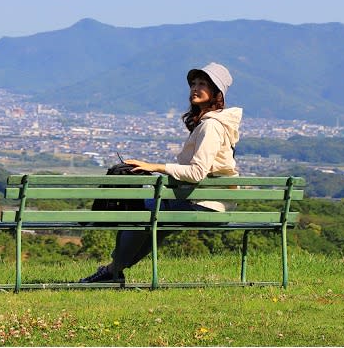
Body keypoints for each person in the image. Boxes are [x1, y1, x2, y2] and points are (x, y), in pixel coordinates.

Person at [79, 62, 242, 283]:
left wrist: (154, 166)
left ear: (216, 92)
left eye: (203, 84)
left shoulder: (211, 126)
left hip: (204, 204)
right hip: (210, 202)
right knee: (154, 224)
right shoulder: (215, 124)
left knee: (139, 211)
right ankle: (113, 270)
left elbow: (197, 173)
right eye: (193, 83)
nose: (195, 88)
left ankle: (111, 271)